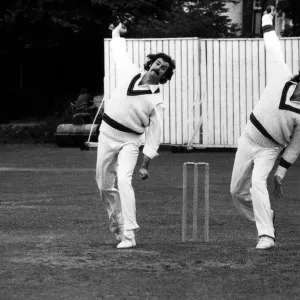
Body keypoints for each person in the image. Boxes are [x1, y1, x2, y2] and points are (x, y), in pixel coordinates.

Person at [95, 23, 175, 249]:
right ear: (151, 64)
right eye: (157, 63)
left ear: (165, 75)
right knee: (103, 185)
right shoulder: (131, 72)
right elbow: (119, 54)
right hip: (106, 134)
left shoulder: (156, 101)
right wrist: (115, 33)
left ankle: (130, 234)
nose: (158, 68)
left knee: (123, 180)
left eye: (163, 68)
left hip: (130, 140)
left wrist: (145, 163)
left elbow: (154, 135)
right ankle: (118, 226)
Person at [230, 6, 300, 250]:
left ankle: (266, 235)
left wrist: (280, 173)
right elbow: (273, 47)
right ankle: (265, 217)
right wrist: (268, 20)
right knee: (236, 192)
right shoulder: (283, 76)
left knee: (257, 183)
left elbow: (295, 146)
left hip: (270, 149)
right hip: (248, 138)